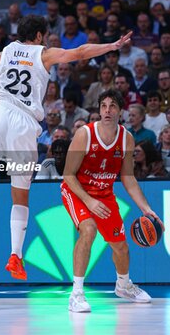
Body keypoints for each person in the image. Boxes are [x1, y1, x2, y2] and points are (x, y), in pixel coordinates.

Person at [0, 15, 132, 282]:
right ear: (39, 36)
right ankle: (15, 255)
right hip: (25, 125)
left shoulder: (5, 52)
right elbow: (80, 52)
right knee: (20, 195)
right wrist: (110, 46)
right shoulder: (44, 53)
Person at [61, 89, 164, 312]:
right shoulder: (84, 135)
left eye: (113, 106)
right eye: (103, 106)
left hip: (104, 194)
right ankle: (76, 294)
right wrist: (88, 201)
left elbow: (128, 178)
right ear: (99, 110)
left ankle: (123, 285)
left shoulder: (126, 138)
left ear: (120, 111)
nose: (107, 110)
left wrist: (147, 209)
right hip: (77, 191)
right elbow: (68, 175)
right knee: (88, 230)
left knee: (121, 247)